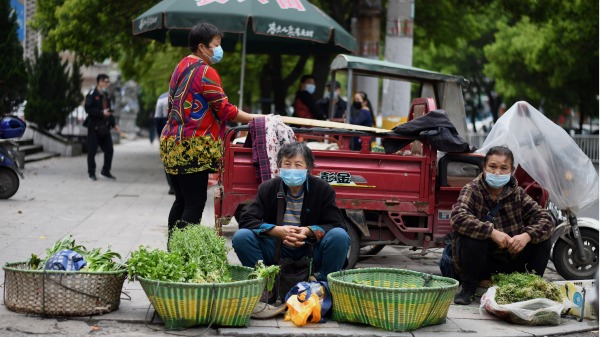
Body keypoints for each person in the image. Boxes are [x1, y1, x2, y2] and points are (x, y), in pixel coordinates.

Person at [160, 23, 260, 237]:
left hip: (171, 143)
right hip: (193, 146)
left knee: (181, 200)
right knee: (194, 203)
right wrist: (257, 118)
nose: (218, 49)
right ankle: (184, 253)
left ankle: (173, 251)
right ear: (202, 47)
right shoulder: (207, 72)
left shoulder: (180, 67)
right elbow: (225, 110)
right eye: (216, 45)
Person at [450, 146, 554, 305]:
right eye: (492, 166)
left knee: (543, 239)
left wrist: (526, 236)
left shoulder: (517, 193)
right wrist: (492, 233)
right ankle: (468, 288)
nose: (497, 173)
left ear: (512, 171)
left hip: (510, 258)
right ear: (484, 167)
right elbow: (458, 217)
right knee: (472, 239)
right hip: (480, 262)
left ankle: (530, 286)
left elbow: (546, 219)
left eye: (503, 168)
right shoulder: (472, 189)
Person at [232, 142, 350, 282]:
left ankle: (324, 285)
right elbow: (246, 220)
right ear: (279, 166)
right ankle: (264, 282)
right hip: (277, 247)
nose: (292, 169)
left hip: (311, 249)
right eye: (287, 164)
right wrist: (276, 231)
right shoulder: (268, 188)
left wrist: (308, 231)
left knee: (340, 236)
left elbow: (337, 224)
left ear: (308, 167)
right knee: (242, 237)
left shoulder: (322, 189)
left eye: (298, 164)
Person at [84, 74, 120, 181]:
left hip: (105, 127)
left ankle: (105, 171)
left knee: (109, 149)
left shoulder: (106, 95)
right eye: (106, 81)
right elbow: (88, 109)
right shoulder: (92, 94)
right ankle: (91, 172)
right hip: (94, 127)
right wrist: (101, 112)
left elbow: (109, 110)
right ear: (100, 82)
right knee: (92, 150)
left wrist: (114, 125)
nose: (107, 84)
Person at [154, 91, 174, 195]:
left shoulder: (162, 98)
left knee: (167, 161)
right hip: (181, 134)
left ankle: (172, 186)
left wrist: (159, 134)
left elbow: (157, 118)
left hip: (166, 133)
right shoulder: (188, 95)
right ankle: (178, 186)